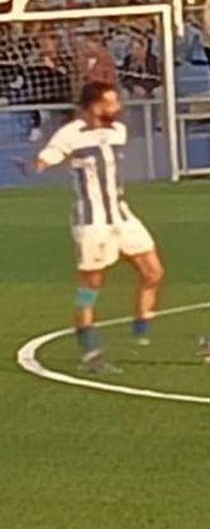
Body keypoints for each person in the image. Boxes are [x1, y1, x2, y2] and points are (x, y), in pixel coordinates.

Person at [33, 81, 168, 374]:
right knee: (91, 285)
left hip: (122, 215)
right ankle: (89, 345)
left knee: (153, 271)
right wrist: (41, 163)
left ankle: (141, 331)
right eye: (110, 102)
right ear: (94, 105)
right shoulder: (69, 134)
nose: (116, 107)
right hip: (92, 223)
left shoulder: (117, 131)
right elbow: (50, 155)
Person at [119, 33, 162, 98]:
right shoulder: (127, 60)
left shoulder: (153, 60)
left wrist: (145, 88)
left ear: (143, 48)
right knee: (123, 93)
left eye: (137, 49)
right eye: (132, 49)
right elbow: (124, 79)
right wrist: (133, 87)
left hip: (149, 88)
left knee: (159, 91)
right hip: (133, 89)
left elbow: (157, 79)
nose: (134, 52)